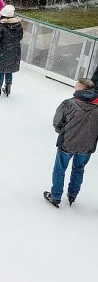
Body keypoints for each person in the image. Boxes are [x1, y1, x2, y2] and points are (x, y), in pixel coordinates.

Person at [44, 78, 98, 208]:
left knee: (60, 169)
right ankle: (73, 194)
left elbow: (57, 122)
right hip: (87, 146)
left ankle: (56, 196)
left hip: (68, 143)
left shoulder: (68, 104)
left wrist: (62, 131)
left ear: (80, 89)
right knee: (79, 169)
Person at [0, 5, 23, 98]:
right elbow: (20, 37)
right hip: (15, 50)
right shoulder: (18, 25)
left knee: (1, 70)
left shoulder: (1, 26)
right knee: (9, 69)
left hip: (4, 51)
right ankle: (8, 88)